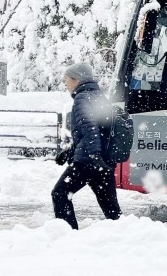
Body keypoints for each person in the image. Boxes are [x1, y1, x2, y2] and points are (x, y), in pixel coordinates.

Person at [51, 63, 121, 229]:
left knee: (60, 193)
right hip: (103, 161)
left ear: (77, 79)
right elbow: (97, 131)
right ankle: (124, 236)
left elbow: (90, 127)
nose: (66, 84)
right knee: (110, 207)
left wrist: (93, 155)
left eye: (67, 79)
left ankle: (68, 233)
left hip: (89, 161)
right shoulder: (99, 96)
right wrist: (70, 152)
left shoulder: (82, 98)